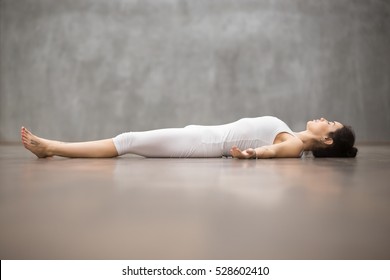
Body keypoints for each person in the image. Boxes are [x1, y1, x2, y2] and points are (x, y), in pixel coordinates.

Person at [21, 116, 357, 159]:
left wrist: (252, 155)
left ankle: (50, 147)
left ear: (327, 140)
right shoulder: (290, 132)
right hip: (199, 135)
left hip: (201, 144)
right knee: (130, 140)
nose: (324, 119)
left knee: (128, 140)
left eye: (331, 124)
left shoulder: (294, 144)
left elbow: (270, 151)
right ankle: (50, 148)